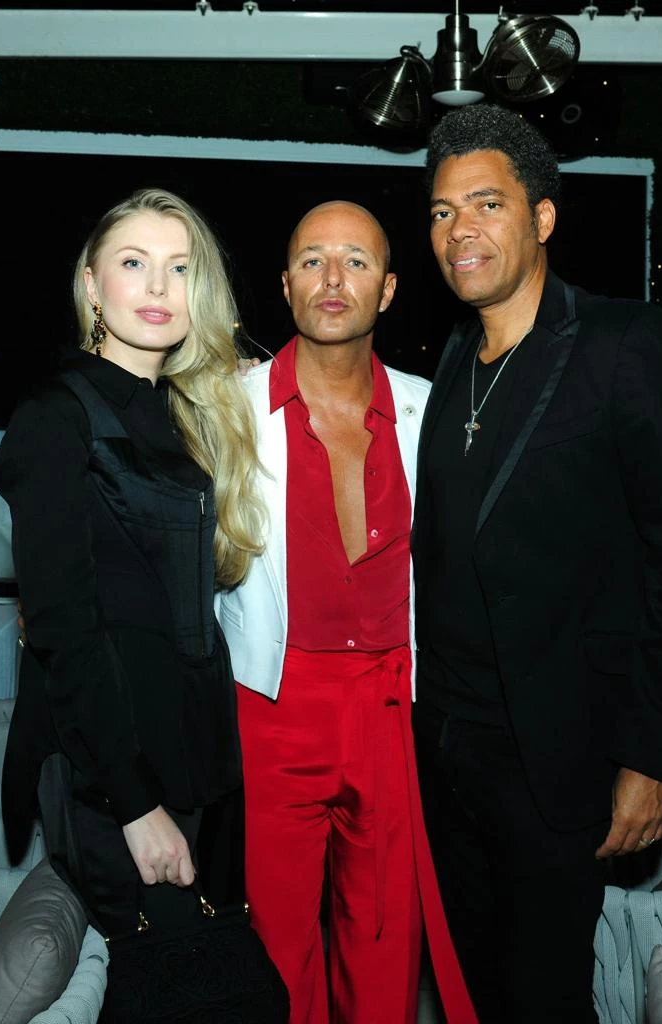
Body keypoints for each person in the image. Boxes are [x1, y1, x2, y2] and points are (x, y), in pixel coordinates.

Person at [410, 103, 662, 1024]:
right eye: (441, 211)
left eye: (486, 204)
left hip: (561, 763)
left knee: (544, 998)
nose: (459, 229)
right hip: (450, 758)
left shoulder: (623, 343)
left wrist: (652, 758)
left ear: (542, 217)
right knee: (474, 994)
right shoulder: (455, 357)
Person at [0, 188, 288, 1020]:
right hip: (118, 776)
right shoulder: (56, 418)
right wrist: (134, 805)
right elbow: (64, 634)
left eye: (181, 268)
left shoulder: (184, 414)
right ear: (92, 287)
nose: (158, 286)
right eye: (133, 263)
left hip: (201, 764)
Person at [215, 199, 477, 1024]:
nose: (333, 278)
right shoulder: (222, 409)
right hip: (269, 707)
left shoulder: (434, 410)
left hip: (394, 708)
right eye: (313, 260)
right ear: (286, 284)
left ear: (389, 289)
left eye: (356, 261)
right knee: (276, 949)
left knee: (384, 945)